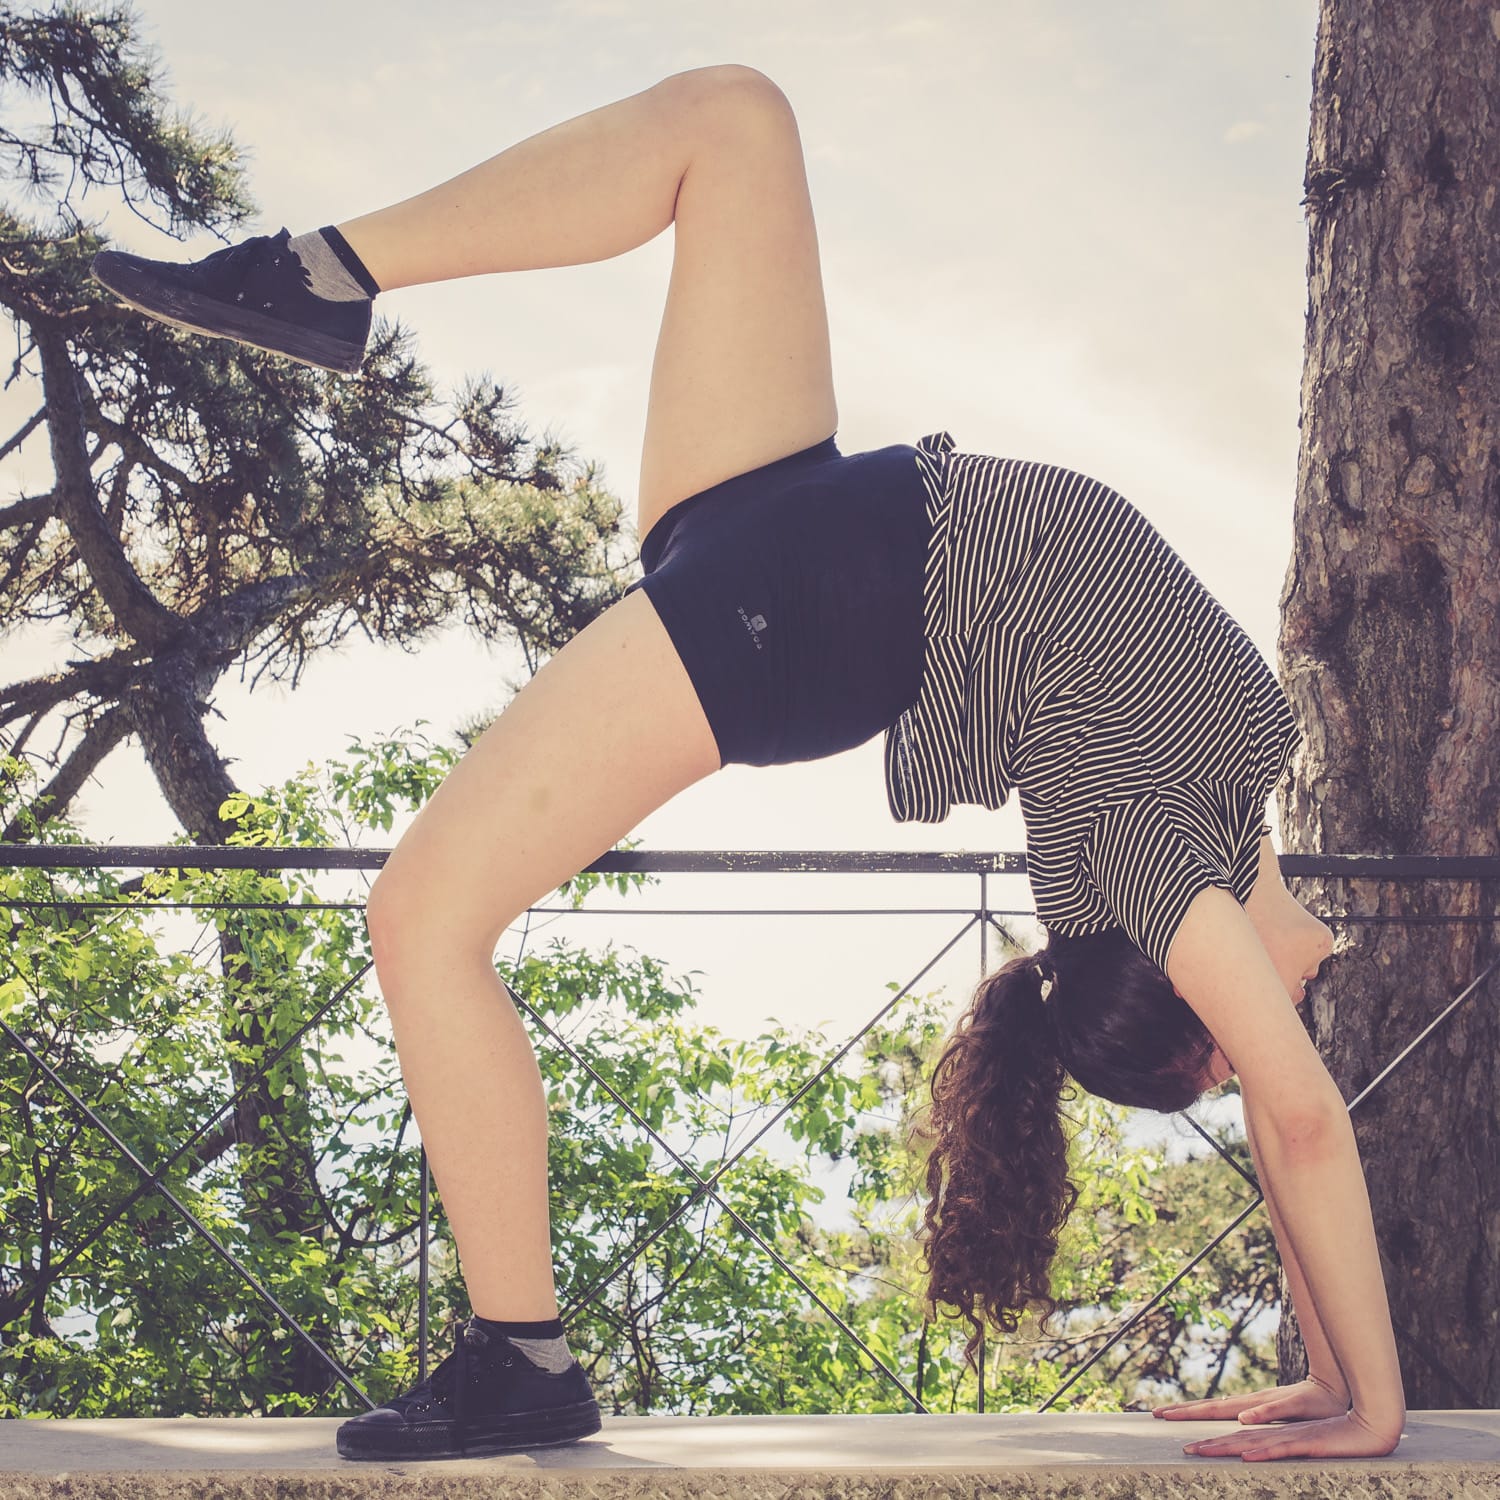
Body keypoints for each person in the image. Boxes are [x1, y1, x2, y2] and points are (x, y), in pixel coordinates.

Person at [91, 64, 1405, 1465]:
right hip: (814, 517)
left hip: (811, 613)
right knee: (733, 122)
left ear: (1202, 1005)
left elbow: (1298, 1121)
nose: (1272, 1050)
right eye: (1231, 1069)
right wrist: (1335, 1388)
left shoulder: (1145, 851)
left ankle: (517, 1355)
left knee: (425, 913)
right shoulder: (1220, 791)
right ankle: (323, 272)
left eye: (1223, 1064)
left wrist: (1369, 1409)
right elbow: (1290, 1119)